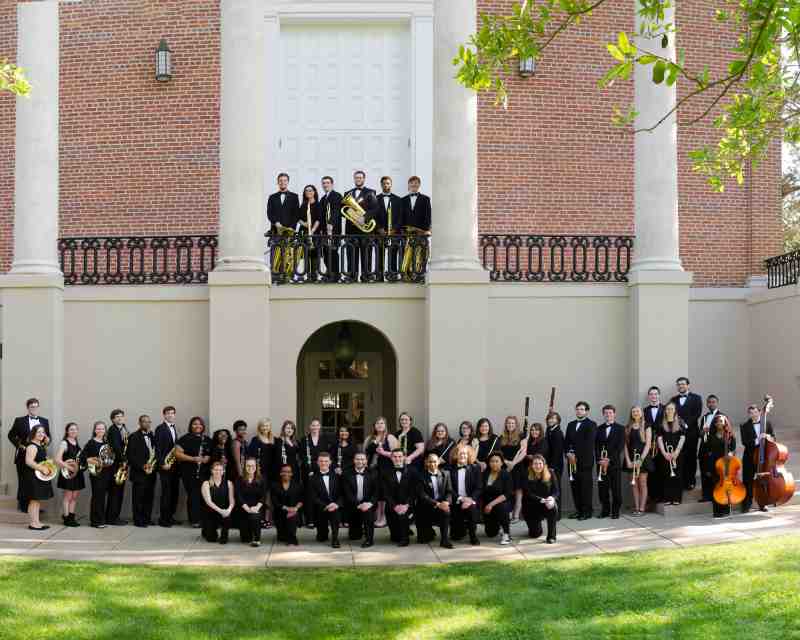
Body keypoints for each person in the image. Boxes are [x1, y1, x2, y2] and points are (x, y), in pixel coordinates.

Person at [8, 398, 51, 512]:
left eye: (36, 406)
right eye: (32, 406)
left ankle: (34, 507)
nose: (34, 409)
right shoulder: (19, 420)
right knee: (24, 481)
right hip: (23, 456)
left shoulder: (44, 421)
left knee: (36, 482)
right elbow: (11, 435)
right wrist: (20, 445)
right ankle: (23, 506)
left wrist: (47, 441)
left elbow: (48, 438)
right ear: (28, 408)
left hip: (39, 456)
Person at [175, 416, 212, 528]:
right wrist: (193, 459)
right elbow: (177, 454)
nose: (197, 426)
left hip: (204, 473)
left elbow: (211, 454)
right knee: (193, 496)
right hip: (189, 472)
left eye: (200, 424)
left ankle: (204, 519)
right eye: (195, 424)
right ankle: (194, 520)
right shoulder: (185, 438)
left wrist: (207, 458)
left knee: (204, 496)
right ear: (191, 426)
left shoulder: (207, 439)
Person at [342, 170, 379, 280]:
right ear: (354, 179)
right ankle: (352, 276)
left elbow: (375, 209)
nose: (358, 179)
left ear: (364, 179)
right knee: (351, 254)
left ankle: (366, 276)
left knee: (366, 253)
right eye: (356, 178)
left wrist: (364, 218)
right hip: (351, 229)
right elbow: (344, 210)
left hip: (365, 230)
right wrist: (356, 217)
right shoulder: (347, 194)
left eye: (360, 178)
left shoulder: (371, 192)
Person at [740, 402, 776, 513]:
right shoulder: (744, 426)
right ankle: (746, 505)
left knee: (763, 480)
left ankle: (763, 503)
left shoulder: (767, 423)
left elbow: (774, 438)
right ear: (749, 414)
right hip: (750, 457)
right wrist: (758, 439)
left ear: (760, 412)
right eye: (751, 413)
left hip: (764, 457)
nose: (753, 415)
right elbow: (745, 442)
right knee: (748, 481)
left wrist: (768, 437)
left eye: (755, 412)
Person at [564, 401, 597, 520]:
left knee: (585, 488)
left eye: (582, 409)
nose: (579, 411)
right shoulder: (571, 424)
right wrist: (568, 453)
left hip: (584, 462)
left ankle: (587, 512)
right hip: (571, 461)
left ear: (587, 411)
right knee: (575, 487)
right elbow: (566, 442)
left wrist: (575, 455)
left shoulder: (592, 424)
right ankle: (578, 510)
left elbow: (588, 444)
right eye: (577, 409)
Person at [364, 416, 398, 527]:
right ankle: (377, 516)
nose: (379, 425)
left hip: (387, 469)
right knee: (376, 494)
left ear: (385, 425)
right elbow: (366, 452)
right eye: (377, 423)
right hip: (372, 470)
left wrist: (383, 452)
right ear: (374, 426)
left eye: (382, 423)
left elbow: (397, 455)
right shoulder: (370, 438)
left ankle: (383, 517)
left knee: (384, 494)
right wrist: (374, 442)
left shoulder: (390, 437)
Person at [671, 377, 703, 491]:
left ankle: (691, 481)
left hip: (691, 433)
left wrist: (685, 424)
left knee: (691, 457)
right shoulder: (673, 399)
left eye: (683, 384)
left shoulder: (696, 398)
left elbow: (697, 414)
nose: (681, 386)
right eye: (679, 384)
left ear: (688, 385)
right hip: (677, 434)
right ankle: (681, 481)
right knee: (680, 458)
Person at [80, 421, 114, 528]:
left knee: (102, 497)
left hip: (106, 472)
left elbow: (110, 457)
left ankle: (101, 519)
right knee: (97, 497)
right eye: (98, 429)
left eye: (102, 429)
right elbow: (82, 458)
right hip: (96, 473)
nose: (100, 430)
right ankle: (96, 521)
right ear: (95, 430)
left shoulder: (107, 443)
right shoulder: (91, 443)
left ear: (105, 431)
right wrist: (91, 460)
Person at [416, 452, 454, 549]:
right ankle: (429, 532)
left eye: (435, 462)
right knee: (423, 540)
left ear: (438, 462)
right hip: (426, 506)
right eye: (430, 462)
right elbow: (422, 495)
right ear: (426, 463)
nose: (432, 464)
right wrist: (437, 503)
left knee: (446, 511)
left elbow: (449, 491)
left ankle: (444, 540)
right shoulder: (420, 476)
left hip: (442, 505)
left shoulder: (446, 474)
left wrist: (446, 502)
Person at [127, 415, 157, 528]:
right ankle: (138, 520)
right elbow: (130, 456)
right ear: (139, 423)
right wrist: (142, 466)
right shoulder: (134, 436)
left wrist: (152, 466)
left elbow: (154, 452)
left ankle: (147, 518)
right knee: (138, 498)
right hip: (139, 473)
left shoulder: (152, 436)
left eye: (149, 422)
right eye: (144, 422)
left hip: (151, 473)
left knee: (149, 497)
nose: (147, 424)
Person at [381, 449, 417, 547]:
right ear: (391, 458)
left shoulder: (412, 471)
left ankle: (405, 538)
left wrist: (406, 505)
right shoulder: (385, 472)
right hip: (392, 506)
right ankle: (402, 531)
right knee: (394, 538)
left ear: (404, 457)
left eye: (400, 456)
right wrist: (395, 506)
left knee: (403, 521)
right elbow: (385, 493)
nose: (397, 459)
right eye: (395, 457)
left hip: (408, 505)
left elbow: (414, 491)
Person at [307, 452, 343, 548]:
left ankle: (335, 538)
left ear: (330, 462)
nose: (323, 463)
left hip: (335, 506)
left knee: (335, 513)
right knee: (321, 538)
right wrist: (325, 506)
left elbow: (342, 493)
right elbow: (313, 497)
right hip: (321, 507)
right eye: (321, 461)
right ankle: (323, 531)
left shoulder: (337, 476)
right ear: (317, 463)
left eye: (326, 461)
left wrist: (336, 504)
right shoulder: (312, 478)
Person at [595, 405, 625, 519]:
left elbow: (620, 447)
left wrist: (609, 459)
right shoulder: (598, 429)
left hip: (614, 464)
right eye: (606, 413)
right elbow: (596, 446)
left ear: (614, 414)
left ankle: (615, 511)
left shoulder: (621, 428)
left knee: (616, 489)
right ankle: (605, 510)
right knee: (603, 489)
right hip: (601, 464)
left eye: (610, 413)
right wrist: (600, 459)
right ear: (603, 414)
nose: (608, 415)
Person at [22, 425, 54, 531]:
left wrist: (48, 462)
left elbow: (39, 459)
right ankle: (33, 524)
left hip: (38, 477)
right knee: (33, 501)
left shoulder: (40, 445)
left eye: (43, 432)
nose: (41, 434)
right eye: (38, 432)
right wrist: (42, 468)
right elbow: (29, 461)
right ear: (34, 433)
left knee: (36, 500)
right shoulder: (32, 446)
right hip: (32, 477)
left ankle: (37, 522)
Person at [624, 406, 654, 516]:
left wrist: (641, 459)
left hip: (643, 458)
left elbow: (648, 444)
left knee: (642, 483)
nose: (635, 413)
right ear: (631, 414)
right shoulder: (627, 427)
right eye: (633, 411)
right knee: (634, 484)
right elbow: (626, 446)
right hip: (631, 459)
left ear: (641, 413)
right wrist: (627, 460)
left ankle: (642, 509)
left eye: (637, 411)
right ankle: (636, 507)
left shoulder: (646, 426)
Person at [343, 452, 378, 547]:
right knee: (354, 536)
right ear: (354, 461)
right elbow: (347, 493)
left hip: (368, 504)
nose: (360, 461)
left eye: (362, 459)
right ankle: (358, 530)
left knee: (368, 514)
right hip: (353, 504)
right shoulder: (346, 473)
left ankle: (369, 539)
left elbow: (376, 492)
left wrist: (370, 503)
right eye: (357, 459)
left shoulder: (373, 473)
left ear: (366, 461)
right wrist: (358, 504)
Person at [449, 446, 482, 545]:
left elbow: (479, 487)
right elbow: (449, 488)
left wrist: (470, 500)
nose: (462, 455)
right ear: (456, 455)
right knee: (456, 536)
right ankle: (461, 529)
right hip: (456, 500)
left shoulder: (475, 468)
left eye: (465, 453)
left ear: (468, 455)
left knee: (472, 510)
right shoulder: (450, 469)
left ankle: (473, 536)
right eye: (460, 453)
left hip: (471, 500)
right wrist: (461, 498)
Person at [522, 454, 558, 543]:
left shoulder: (550, 473)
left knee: (553, 507)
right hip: (531, 506)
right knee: (535, 534)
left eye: (540, 463)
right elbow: (527, 493)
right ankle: (536, 527)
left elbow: (556, 490)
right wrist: (540, 500)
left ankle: (551, 536)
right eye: (535, 464)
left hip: (546, 503)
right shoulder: (526, 474)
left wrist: (552, 498)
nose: (538, 466)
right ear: (531, 465)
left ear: (544, 464)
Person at [154, 405, 181, 528]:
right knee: (166, 493)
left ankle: (171, 516)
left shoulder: (175, 427)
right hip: (165, 466)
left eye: (172, 413)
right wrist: (162, 463)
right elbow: (158, 448)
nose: (170, 415)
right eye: (168, 413)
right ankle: (164, 519)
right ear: (164, 415)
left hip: (174, 465)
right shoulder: (160, 428)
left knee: (174, 492)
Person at [707, 415, 738, 518]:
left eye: (721, 421)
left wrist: (731, 453)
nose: (719, 423)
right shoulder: (711, 436)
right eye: (717, 422)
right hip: (715, 465)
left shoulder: (729, 435)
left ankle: (725, 509)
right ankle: (717, 511)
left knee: (726, 488)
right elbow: (708, 451)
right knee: (716, 488)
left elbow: (733, 448)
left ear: (725, 423)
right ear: (715, 424)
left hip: (727, 465)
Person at [55, 422, 84, 527]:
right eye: (71, 429)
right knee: (68, 496)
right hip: (68, 474)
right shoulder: (64, 443)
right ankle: (66, 518)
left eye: (75, 429)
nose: (74, 431)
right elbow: (57, 460)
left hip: (77, 474)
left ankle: (71, 517)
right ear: (67, 431)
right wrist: (70, 467)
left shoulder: (76, 442)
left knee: (74, 497)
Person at [247, 418, 275, 527]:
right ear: (259, 427)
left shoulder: (274, 439)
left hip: (272, 472)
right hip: (260, 472)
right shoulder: (255, 439)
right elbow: (250, 456)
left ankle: (267, 518)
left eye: (267, 426)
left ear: (269, 427)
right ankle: (260, 518)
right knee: (261, 494)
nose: (265, 428)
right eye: (263, 426)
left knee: (269, 495)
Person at [481, 452, 513, 545]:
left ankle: (506, 534)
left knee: (501, 507)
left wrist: (491, 504)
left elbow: (507, 494)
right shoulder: (485, 474)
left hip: (501, 503)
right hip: (487, 505)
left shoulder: (505, 474)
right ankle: (498, 525)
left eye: (496, 461)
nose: (494, 463)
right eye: (492, 461)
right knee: (490, 534)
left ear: (502, 463)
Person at [658, 403, 686, 505]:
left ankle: (677, 498)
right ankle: (668, 498)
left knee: (677, 476)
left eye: (671, 409)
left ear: (675, 410)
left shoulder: (680, 422)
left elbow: (683, 438)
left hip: (677, 454)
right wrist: (664, 453)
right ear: (665, 411)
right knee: (666, 476)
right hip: (665, 454)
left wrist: (677, 452)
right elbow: (659, 439)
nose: (669, 410)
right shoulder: (662, 423)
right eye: (667, 409)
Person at [201, 461, 235, 544]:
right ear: (212, 471)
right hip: (211, 513)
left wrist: (228, 510)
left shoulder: (229, 483)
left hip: (224, 512)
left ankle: (224, 535)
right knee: (211, 539)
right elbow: (208, 502)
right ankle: (206, 529)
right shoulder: (206, 484)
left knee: (227, 517)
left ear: (223, 471)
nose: (218, 472)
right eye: (215, 470)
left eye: (220, 470)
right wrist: (221, 511)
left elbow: (232, 500)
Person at [105, 409, 129, 526]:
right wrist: (124, 460)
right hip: (115, 465)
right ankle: (111, 518)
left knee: (119, 491)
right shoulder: (112, 430)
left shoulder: (124, 429)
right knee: (114, 492)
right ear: (113, 419)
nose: (120, 418)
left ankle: (116, 516)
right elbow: (116, 447)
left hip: (122, 464)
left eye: (121, 416)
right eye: (117, 417)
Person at [236, 458, 266, 546]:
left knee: (255, 515)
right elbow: (238, 496)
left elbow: (263, 496)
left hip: (257, 507)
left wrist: (256, 508)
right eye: (248, 466)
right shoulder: (239, 479)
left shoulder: (262, 479)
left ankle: (257, 539)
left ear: (256, 467)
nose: (250, 468)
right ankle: (248, 533)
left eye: (253, 466)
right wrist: (247, 509)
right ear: (244, 467)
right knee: (245, 539)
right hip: (243, 508)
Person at [295, 184, 323, 280]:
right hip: (304, 232)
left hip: (315, 232)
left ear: (314, 192)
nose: (309, 192)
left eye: (310, 190)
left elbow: (319, 219)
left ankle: (314, 276)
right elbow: (298, 218)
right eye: (306, 191)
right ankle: (306, 275)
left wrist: (312, 230)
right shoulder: (303, 205)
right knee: (305, 254)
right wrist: (304, 223)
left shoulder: (318, 205)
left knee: (314, 254)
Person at [499, 415, 524, 521]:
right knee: (507, 491)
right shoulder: (501, 438)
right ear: (506, 424)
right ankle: (508, 512)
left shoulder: (521, 437)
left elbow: (524, 452)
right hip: (505, 468)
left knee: (518, 492)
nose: (510, 425)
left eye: (512, 423)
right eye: (508, 423)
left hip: (518, 467)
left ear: (516, 425)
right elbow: (499, 453)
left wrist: (513, 463)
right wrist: (506, 462)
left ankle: (516, 515)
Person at [272, 464, 304, 545]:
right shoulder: (275, 486)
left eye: (288, 472)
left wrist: (295, 508)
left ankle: (292, 538)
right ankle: (287, 535)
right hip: (280, 514)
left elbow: (301, 500)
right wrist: (286, 508)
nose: (286, 473)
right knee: (281, 538)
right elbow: (275, 502)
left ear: (291, 473)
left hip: (294, 513)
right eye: (284, 471)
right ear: (280, 473)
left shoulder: (297, 485)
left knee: (292, 516)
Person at [644, 386, 665, 505]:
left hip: (662, 444)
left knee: (662, 470)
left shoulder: (666, 408)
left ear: (659, 395)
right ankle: (652, 496)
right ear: (649, 396)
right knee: (651, 471)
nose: (653, 396)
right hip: (649, 445)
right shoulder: (644, 410)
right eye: (651, 394)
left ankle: (661, 496)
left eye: (656, 394)